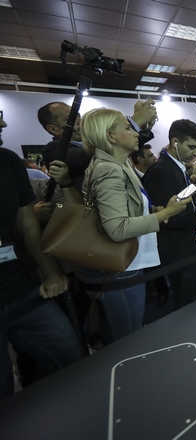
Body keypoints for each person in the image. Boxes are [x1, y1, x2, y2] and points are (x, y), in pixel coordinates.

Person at [75, 108, 190, 345]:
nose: (136, 132)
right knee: (127, 338)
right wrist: (166, 213)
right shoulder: (109, 169)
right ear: (110, 136)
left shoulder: (118, 165)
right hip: (120, 268)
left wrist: (153, 211)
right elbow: (117, 228)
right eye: (128, 128)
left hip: (125, 263)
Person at [1, 113, 83, 399]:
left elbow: (27, 225)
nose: (3, 125)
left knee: (69, 358)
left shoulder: (8, 162)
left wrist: (51, 272)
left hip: (22, 289)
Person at [143, 120, 196, 310]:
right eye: (191, 147)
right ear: (175, 142)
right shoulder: (162, 171)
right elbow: (168, 217)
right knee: (187, 304)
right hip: (177, 251)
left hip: (189, 246)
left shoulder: (176, 167)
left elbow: (181, 201)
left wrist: (194, 186)